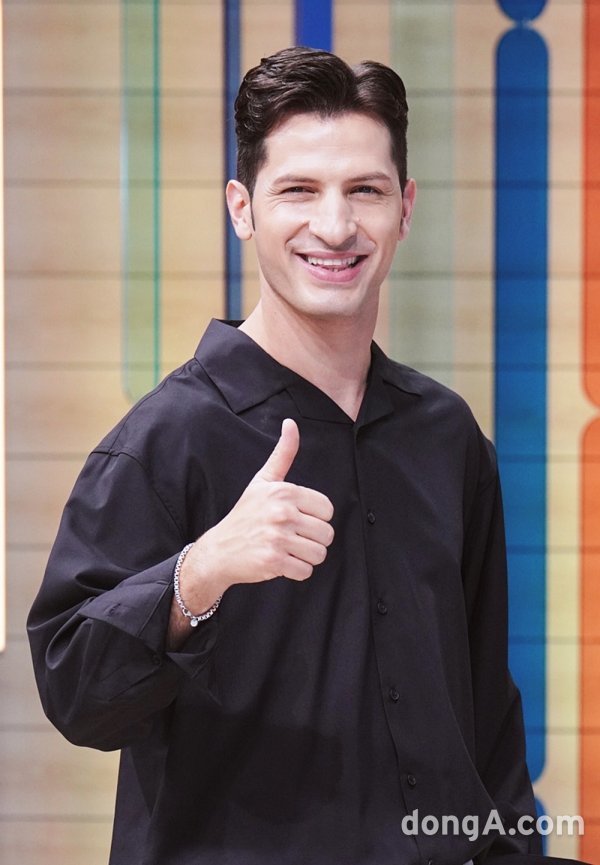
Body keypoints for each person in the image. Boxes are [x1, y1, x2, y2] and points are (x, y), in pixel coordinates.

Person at [28, 46, 542, 865]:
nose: (335, 227)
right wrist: (197, 575)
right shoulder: (166, 438)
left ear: (405, 207)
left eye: (365, 190)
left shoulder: (448, 438)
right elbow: (75, 693)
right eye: (298, 190)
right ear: (242, 209)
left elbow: (486, 718)